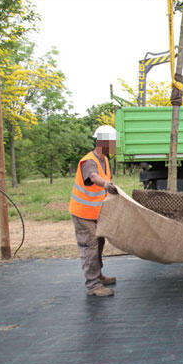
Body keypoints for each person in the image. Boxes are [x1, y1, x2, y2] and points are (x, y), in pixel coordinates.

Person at [69, 125, 119, 297]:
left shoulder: (104, 159)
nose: (114, 145)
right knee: (89, 247)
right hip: (83, 213)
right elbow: (93, 177)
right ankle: (93, 286)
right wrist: (105, 184)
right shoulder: (89, 161)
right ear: (102, 142)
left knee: (99, 244)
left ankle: (98, 276)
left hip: (96, 213)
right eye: (112, 142)